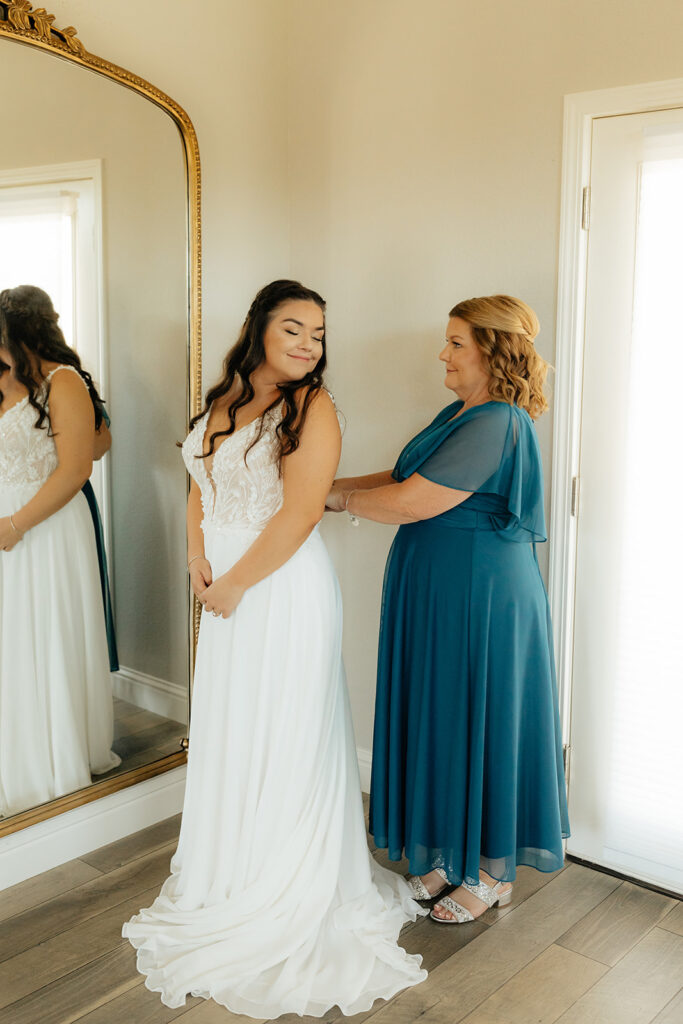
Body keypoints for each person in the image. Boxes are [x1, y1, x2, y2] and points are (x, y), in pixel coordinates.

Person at [122, 280, 427, 1016]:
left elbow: (297, 515)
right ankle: (230, 868)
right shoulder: (222, 399)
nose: (306, 344)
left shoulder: (311, 408)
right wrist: (195, 554)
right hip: (225, 581)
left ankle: (286, 883)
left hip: (280, 587)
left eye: (317, 334)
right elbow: (198, 481)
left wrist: (234, 585)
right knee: (234, 729)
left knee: (284, 731)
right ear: (258, 327)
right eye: (293, 327)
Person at [327, 294, 570, 924]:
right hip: (442, 589)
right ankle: (451, 856)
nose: (443, 352)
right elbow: (406, 475)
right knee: (443, 714)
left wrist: (330, 502)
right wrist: (337, 487)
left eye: (456, 342)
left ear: (490, 350)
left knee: (481, 719)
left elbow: (412, 502)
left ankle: (492, 872)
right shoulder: (462, 412)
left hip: (480, 597)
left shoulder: (497, 421)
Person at [0, 284, 120, 818]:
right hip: (10, 518)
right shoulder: (3, 382)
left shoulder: (62, 382)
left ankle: (47, 758)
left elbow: (77, 467)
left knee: (39, 632)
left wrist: (15, 523)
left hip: (41, 526)